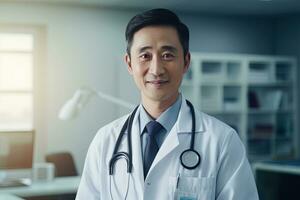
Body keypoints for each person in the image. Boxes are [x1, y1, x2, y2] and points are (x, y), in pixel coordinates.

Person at [76, 8, 259, 200]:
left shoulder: (222, 141)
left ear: (186, 62)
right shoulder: (105, 140)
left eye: (167, 55)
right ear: (129, 64)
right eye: (145, 56)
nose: (156, 70)